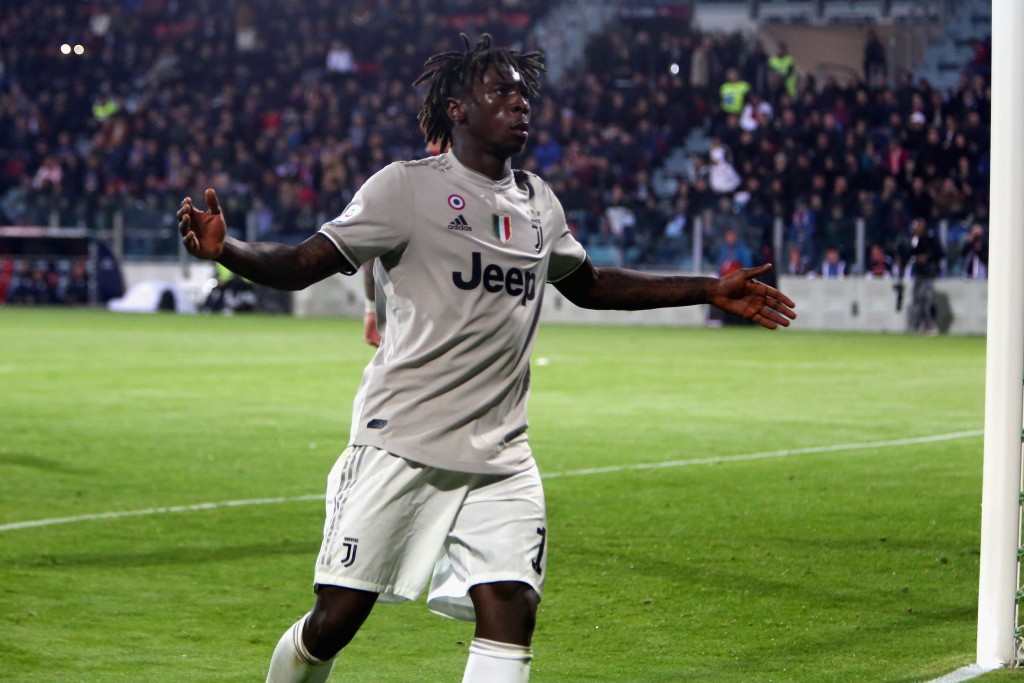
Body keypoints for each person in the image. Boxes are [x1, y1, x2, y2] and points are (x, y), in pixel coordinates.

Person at [177, 34, 796, 683]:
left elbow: (589, 285)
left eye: (523, 93)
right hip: (402, 441)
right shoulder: (403, 188)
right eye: (501, 91)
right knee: (336, 619)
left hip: (501, 454)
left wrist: (707, 289)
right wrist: (228, 251)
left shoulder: (538, 203)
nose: (519, 103)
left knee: (511, 604)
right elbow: (304, 262)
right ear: (457, 109)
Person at [903, 217, 945, 335]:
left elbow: (941, 253)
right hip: (919, 272)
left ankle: (929, 325)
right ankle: (920, 325)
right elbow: (911, 253)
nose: (915, 229)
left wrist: (927, 257)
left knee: (924, 298)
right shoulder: (916, 240)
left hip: (929, 273)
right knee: (917, 299)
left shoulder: (931, 238)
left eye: (918, 227)